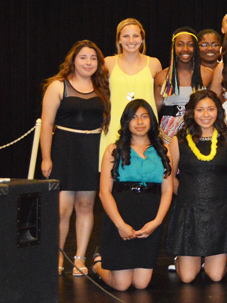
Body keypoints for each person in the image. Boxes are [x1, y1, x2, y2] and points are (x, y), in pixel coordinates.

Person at [40, 40, 110, 276]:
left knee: (86, 206)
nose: (88, 62)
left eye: (93, 58)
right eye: (83, 57)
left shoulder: (102, 87)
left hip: (92, 151)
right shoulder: (58, 86)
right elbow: (47, 124)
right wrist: (46, 158)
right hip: (64, 150)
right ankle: (58, 254)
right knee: (62, 209)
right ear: (73, 59)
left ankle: (80, 258)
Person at [91, 99, 173, 291]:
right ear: (126, 121)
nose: (140, 122)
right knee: (122, 285)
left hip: (150, 218)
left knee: (141, 284)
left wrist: (157, 222)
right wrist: (120, 224)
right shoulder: (114, 150)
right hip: (121, 217)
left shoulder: (163, 150)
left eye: (145, 116)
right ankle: (97, 264)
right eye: (134, 117)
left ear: (152, 121)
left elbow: (168, 190)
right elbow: (104, 192)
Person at [165, 90, 227, 283]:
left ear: (218, 111)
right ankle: (183, 258)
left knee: (216, 276)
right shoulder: (179, 140)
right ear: (191, 112)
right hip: (189, 212)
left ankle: (226, 256)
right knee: (187, 277)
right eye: (200, 110)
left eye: (211, 109)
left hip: (219, 211)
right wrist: (187, 196)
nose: (206, 115)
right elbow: (169, 177)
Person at [102, 18, 163, 167]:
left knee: (145, 167)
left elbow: (159, 99)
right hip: (115, 125)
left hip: (144, 126)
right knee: (113, 169)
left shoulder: (154, 63)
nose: (131, 40)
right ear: (119, 40)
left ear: (142, 39)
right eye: (126, 36)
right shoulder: (108, 63)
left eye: (136, 36)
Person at [155, 27, 214, 140]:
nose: (185, 49)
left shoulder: (207, 74)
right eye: (180, 44)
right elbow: (154, 111)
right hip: (168, 133)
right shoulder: (162, 77)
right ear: (173, 47)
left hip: (199, 130)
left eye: (190, 44)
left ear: (196, 48)